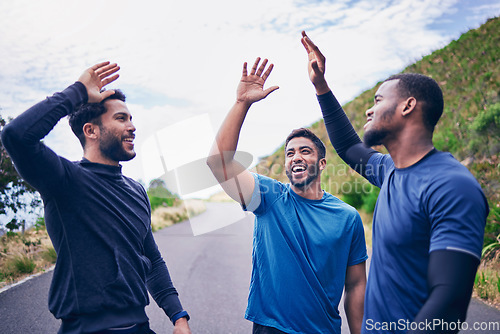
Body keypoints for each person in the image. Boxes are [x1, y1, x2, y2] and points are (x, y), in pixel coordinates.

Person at [301, 31, 489, 334]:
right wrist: (321, 86)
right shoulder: (390, 170)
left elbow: (449, 299)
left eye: (378, 100)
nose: (369, 109)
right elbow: (349, 148)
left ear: (407, 106)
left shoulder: (451, 186)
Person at [1, 62, 191, 334]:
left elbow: (152, 260)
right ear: (91, 130)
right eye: (121, 119)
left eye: (131, 118)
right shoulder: (64, 179)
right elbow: (16, 135)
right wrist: (76, 93)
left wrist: (178, 316)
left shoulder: (136, 190)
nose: (133, 126)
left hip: (140, 326)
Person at [206, 57, 368, 334]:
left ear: (322, 163)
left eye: (305, 151)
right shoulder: (268, 198)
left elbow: (355, 286)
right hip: (271, 328)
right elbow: (218, 162)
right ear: (285, 166)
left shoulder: (348, 217)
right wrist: (242, 104)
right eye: (290, 153)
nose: (296, 157)